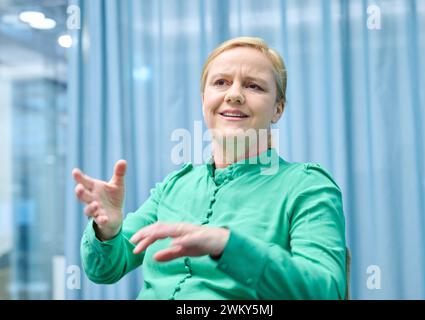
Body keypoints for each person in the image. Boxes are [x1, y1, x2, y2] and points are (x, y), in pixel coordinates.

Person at [72, 37, 347, 300]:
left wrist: (227, 244)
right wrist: (107, 230)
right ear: (204, 100)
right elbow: (104, 270)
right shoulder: (174, 186)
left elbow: (324, 290)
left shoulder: (307, 185)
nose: (235, 95)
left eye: (254, 86)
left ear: (278, 109)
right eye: (221, 82)